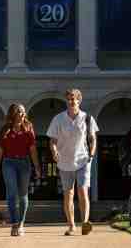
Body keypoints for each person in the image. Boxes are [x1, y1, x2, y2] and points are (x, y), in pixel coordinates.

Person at [46, 88, 99, 236]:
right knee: (68, 194)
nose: (71, 101)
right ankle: (71, 225)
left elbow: (93, 138)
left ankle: (85, 223)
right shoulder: (58, 119)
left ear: (79, 100)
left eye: (73, 99)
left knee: (83, 191)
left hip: (83, 159)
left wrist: (92, 154)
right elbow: (53, 141)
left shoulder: (87, 118)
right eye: (68, 99)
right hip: (64, 162)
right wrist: (54, 151)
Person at [0, 104, 41, 237]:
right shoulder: (5, 130)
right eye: (19, 111)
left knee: (23, 195)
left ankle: (21, 224)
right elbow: (0, 151)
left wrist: (37, 167)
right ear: (13, 113)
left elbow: (33, 150)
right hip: (8, 163)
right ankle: (14, 224)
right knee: (12, 193)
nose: (22, 114)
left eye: (24, 112)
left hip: (24, 163)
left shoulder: (28, 128)